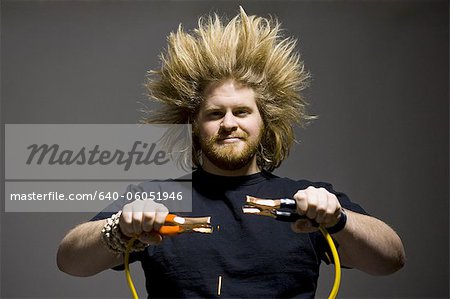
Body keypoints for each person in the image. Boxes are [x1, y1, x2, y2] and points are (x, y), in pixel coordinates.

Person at [57, 8, 406, 298]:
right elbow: (70, 261)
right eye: (214, 113)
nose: (228, 123)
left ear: (264, 122)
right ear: (194, 124)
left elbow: (390, 259)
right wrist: (119, 227)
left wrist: (338, 219)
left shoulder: (307, 201)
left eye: (241, 112)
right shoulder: (156, 200)